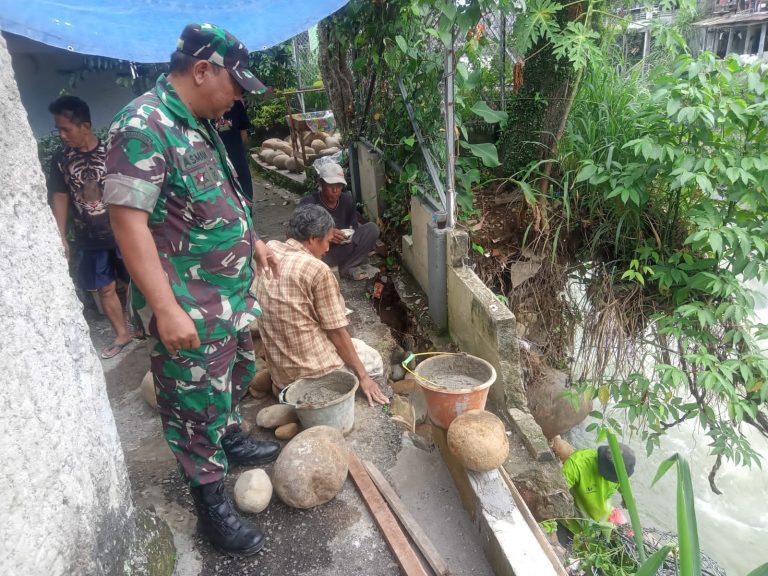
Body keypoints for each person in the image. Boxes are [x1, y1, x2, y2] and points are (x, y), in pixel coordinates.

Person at [103, 23, 280, 557]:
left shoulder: (199, 121)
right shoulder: (143, 125)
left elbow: (214, 198)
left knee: (229, 381)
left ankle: (229, 435)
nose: (240, 96)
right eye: (236, 84)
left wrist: (251, 240)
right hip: (189, 307)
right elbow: (127, 224)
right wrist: (164, 308)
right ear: (202, 70)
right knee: (190, 407)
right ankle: (212, 507)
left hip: (226, 299)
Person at [253, 204, 389, 406]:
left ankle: (281, 388)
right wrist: (363, 377)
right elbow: (336, 332)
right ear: (312, 239)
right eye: (326, 241)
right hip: (316, 372)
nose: (327, 248)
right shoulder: (317, 269)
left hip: (282, 376)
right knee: (373, 359)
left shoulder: (270, 249)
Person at [48, 96, 135, 359]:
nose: (62, 135)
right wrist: (60, 235)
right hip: (89, 236)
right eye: (58, 129)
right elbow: (60, 196)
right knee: (104, 287)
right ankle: (123, 333)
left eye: (66, 129)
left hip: (122, 232)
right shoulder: (61, 159)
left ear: (85, 126)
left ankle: (142, 325)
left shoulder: (113, 150)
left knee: (135, 280)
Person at [299, 161, 379, 278]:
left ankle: (348, 267)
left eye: (339, 185)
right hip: (321, 254)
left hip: (343, 248)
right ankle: (327, 268)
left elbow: (353, 229)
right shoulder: (309, 203)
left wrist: (345, 236)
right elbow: (298, 234)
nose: (335, 190)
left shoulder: (347, 200)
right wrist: (326, 234)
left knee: (372, 229)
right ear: (320, 183)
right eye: (330, 185)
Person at [562, 444, 635, 531]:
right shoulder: (577, 464)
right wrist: (551, 531)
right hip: (576, 522)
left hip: (604, 520)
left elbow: (627, 491)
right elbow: (554, 497)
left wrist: (628, 500)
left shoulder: (619, 472)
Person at [214, 99, 254, 201]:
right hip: (219, 162)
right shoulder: (201, 108)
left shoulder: (236, 104)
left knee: (245, 194)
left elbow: (243, 133)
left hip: (237, 159)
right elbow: (243, 134)